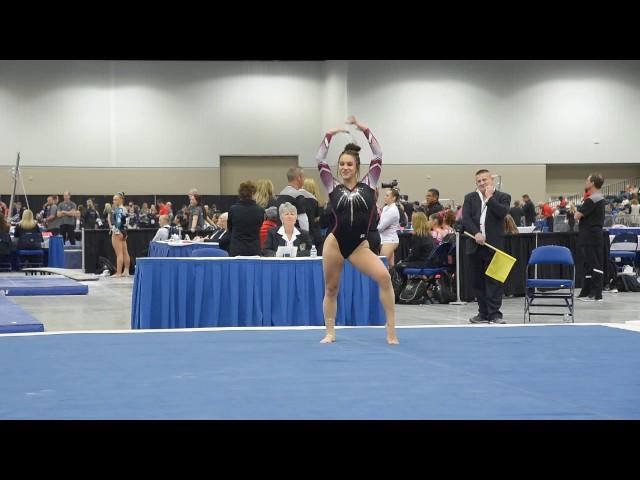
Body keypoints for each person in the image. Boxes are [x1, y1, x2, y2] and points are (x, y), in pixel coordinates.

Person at [315, 115, 398, 345]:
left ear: (357, 167)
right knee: (331, 288)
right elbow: (319, 158)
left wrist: (366, 129)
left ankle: (391, 330)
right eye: (341, 164)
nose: (344, 168)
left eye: (349, 164)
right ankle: (330, 332)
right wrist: (329, 136)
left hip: (358, 246)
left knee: (384, 277)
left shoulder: (370, 184)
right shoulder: (332, 186)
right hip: (335, 243)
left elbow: (378, 155)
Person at [463, 169, 511, 324]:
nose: (482, 183)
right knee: (478, 282)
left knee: (495, 282)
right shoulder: (470, 198)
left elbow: (501, 212)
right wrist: (476, 233)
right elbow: (466, 219)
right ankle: (483, 313)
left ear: (492, 180)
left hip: (494, 246)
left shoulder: (503, 197)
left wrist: (490, 198)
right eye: (479, 181)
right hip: (475, 245)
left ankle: (495, 314)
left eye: (485, 180)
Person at [576, 173, 606, 302]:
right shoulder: (594, 198)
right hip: (589, 234)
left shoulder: (593, 199)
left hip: (591, 235)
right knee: (588, 264)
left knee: (594, 263)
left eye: (587, 180)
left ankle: (596, 293)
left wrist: (578, 209)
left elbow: (577, 215)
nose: (586, 181)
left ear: (592, 183)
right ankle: (587, 290)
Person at [392, 211, 435, 287]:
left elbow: (414, 256)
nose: (411, 222)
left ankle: (401, 288)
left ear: (416, 222)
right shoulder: (428, 234)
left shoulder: (417, 236)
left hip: (422, 264)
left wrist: (403, 261)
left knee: (397, 267)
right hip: (429, 262)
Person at [227, 181, 265, 257]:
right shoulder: (260, 210)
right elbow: (260, 227)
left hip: (236, 249)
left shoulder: (233, 209)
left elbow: (230, 228)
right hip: (254, 249)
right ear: (253, 193)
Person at [377, 188, 401, 268]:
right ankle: (394, 280)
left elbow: (381, 227)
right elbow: (381, 224)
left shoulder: (393, 210)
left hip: (390, 240)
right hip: (385, 239)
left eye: (387, 195)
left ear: (393, 198)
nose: (385, 197)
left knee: (381, 265)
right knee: (390, 265)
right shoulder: (385, 208)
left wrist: (372, 229)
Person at [110, 192, 131, 277]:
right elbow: (127, 221)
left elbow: (118, 223)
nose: (114, 201)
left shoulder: (119, 209)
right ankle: (126, 271)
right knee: (125, 252)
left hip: (118, 232)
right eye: (113, 199)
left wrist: (114, 229)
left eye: (116, 199)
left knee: (119, 254)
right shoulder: (125, 209)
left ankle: (118, 273)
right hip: (124, 232)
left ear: (121, 200)